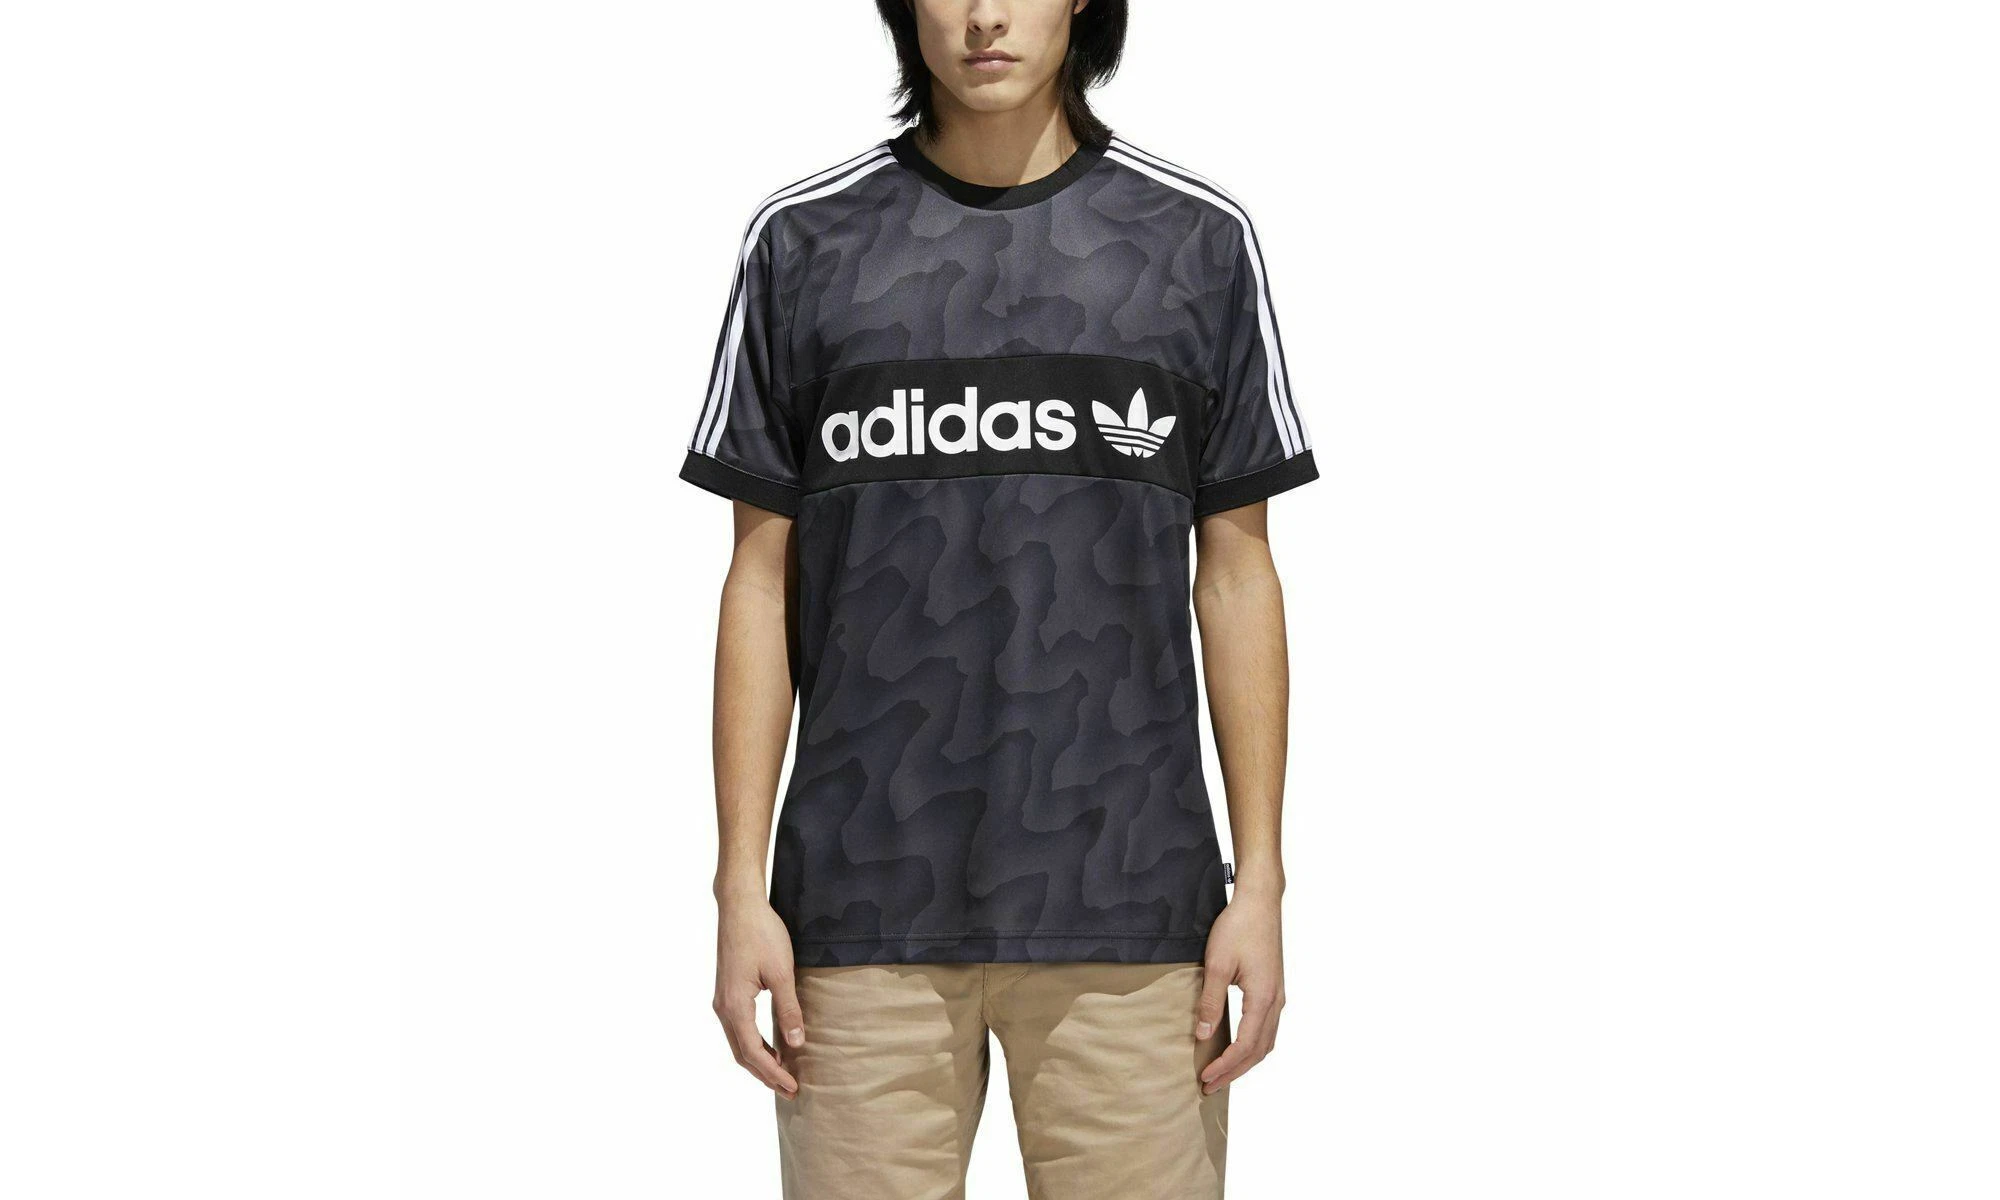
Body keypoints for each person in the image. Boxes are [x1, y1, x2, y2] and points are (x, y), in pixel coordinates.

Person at [680, 2, 1315, 1195]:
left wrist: (1263, 882)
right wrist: (735, 889)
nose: (983, 15)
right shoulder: (806, 244)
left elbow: (1236, 574)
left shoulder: (1191, 243)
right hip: (855, 920)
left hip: (1132, 912)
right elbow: (757, 581)